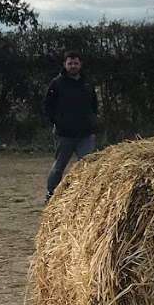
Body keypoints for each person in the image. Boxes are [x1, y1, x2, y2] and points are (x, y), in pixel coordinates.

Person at [44, 51, 98, 199]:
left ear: (80, 64)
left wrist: (93, 122)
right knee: (59, 166)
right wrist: (56, 122)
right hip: (64, 134)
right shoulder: (56, 83)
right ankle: (51, 193)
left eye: (75, 63)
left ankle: (85, 195)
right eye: (70, 63)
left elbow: (94, 105)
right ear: (65, 65)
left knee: (88, 165)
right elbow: (48, 106)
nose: (73, 66)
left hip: (85, 134)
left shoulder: (88, 84)